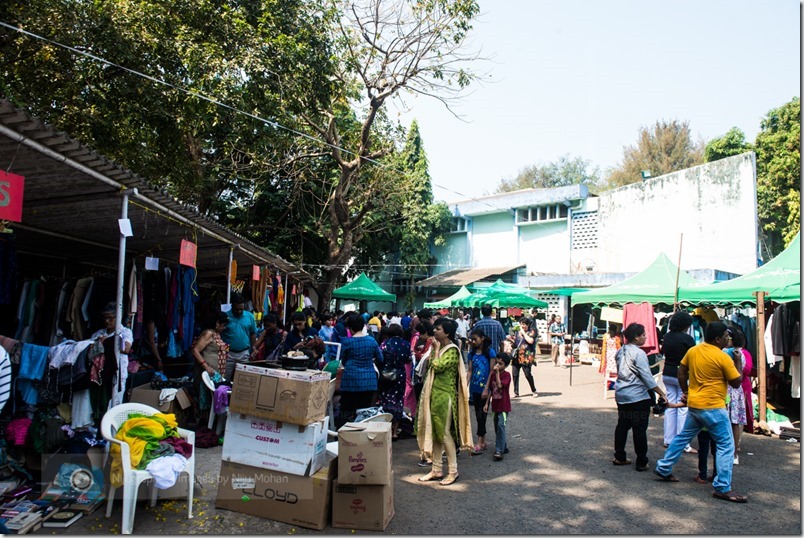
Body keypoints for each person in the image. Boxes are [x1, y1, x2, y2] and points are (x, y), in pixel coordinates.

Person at [654, 322, 747, 503]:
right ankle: (722, 487)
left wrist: (686, 393)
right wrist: (737, 361)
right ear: (717, 339)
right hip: (714, 408)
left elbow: (682, 371)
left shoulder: (694, 351)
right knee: (726, 446)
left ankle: (664, 467)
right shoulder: (723, 358)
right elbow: (737, 382)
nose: (728, 339)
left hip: (695, 406)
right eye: (726, 336)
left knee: (682, 438)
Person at [416, 317, 472, 486]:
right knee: (435, 434)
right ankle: (437, 469)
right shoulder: (440, 347)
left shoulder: (452, 350)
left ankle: (453, 471)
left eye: (438, 329)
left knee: (445, 434)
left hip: (445, 397)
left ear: (447, 332)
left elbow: (437, 365)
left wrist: (433, 351)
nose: (434, 331)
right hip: (434, 395)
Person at [613, 323, 671, 472]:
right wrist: (661, 393)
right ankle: (641, 461)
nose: (646, 337)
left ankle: (619, 456)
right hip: (638, 396)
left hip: (622, 394)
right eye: (644, 335)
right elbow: (647, 377)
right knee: (639, 429)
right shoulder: (639, 354)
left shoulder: (621, 351)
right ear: (636, 337)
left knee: (622, 425)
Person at [660, 311, 697, 452]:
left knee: (670, 405)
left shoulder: (667, 337)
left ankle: (668, 440)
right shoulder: (688, 339)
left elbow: (663, 353)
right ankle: (683, 443)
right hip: (683, 375)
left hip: (667, 373)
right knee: (683, 407)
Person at [338, 314, 384, 426]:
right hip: (368, 381)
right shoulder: (371, 341)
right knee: (364, 412)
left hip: (350, 381)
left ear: (350, 328)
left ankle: (344, 435)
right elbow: (380, 358)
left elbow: (344, 361)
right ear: (363, 325)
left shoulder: (347, 342)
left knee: (347, 411)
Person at [92, 302, 136, 404]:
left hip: (118, 373)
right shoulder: (99, 333)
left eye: (110, 318)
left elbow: (126, 349)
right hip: (100, 374)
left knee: (114, 402)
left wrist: (107, 342)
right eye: (105, 318)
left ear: (118, 317)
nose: (107, 321)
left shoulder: (125, 332)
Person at [378, 324, 411, 440]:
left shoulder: (385, 344)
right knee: (398, 401)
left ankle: (386, 429)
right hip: (400, 375)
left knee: (385, 400)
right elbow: (408, 359)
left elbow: (380, 358)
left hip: (386, 375)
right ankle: (395, 432)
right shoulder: (406, 344)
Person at [725, 328, 750, 465]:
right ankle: (734, 453)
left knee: (728, 422)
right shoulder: (742, 354)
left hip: (728, 390)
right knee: (735, 422)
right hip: (737, 391)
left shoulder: (727, 353)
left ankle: (730, 453)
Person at [467, 328, 495, 454]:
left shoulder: (490, 352)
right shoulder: (471, 353)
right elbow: (470, 371)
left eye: (475, 339)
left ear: (482, 339)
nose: (473, 341)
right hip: (474, 387)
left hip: (485, 388)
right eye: (472, 339)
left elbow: (492, 371)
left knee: (482, 414)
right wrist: (464, 386)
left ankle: (480, 441)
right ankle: (482, 440)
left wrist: (486, 388)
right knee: (478, 414)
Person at [484, 352, 512, 461]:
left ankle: (499, 450)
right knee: (497, 427)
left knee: (501, 425)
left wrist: (496, 374)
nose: (497, 366)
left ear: (505, 365)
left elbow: (500, 386)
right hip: (495, 406)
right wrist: (487, 403)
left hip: (504, 406)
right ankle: (503, 446)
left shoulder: (506, 375)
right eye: (497, 363)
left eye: (500, 364)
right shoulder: (492, 375)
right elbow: (492, 389)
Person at [222, 293, 257, 380]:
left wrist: (253, 347)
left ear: (244, 307)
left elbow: (252, 333)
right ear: (232, 306)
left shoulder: (249, 316)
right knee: (225, 378)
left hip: (244, 353)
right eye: (236, 309)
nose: (239, 311)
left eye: (241, 309)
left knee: (244, 379)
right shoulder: (225, 316)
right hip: (228, 353)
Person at [511, 317, 538, 398]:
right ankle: (516, 392)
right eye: (521, 324)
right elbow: (516, 344)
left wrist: (524, 333)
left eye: (524, 324)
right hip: (517, 355)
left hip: (526, 355)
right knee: (515, 374)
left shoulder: (532, 332)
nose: (522, 326)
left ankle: (534, 390)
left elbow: (530, 341)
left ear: (528, 325)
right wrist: (511, 341)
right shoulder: (517, 332)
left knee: (527, 374)